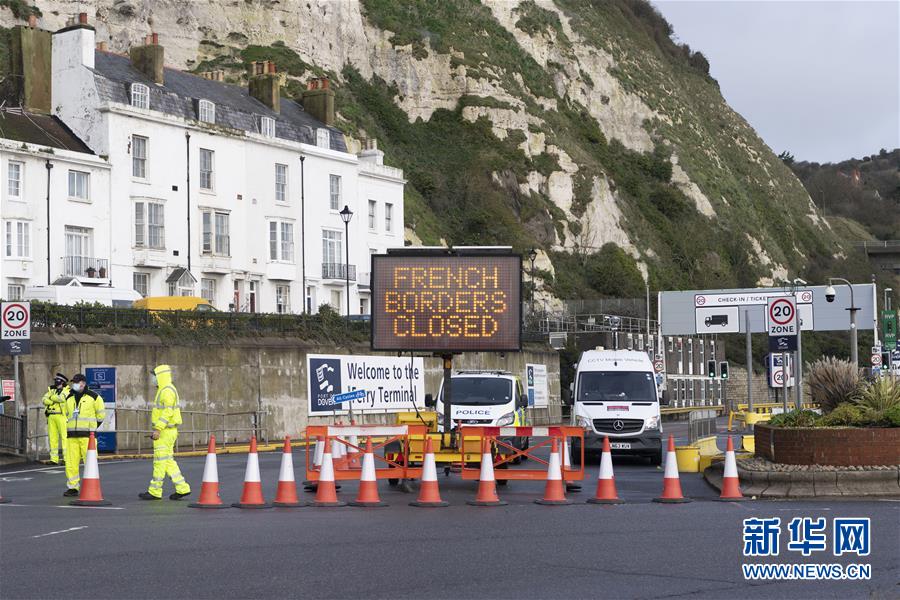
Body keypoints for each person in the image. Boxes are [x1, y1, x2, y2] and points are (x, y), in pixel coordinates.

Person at [139, 365, 191, 500]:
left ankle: (155, 491)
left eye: (154, 376)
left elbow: (167, 412)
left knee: (159, 462)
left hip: (165, 432)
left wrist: (158, 429)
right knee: (168, 461)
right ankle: (182, 488)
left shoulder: (166, 390)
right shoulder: (165, 389)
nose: (153, 380)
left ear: (160, 376)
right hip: (168, 431)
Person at [63, 373, 105, 496]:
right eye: (73, 382)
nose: (74, 384)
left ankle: (91, 486)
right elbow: (66, 415)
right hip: (72, 436)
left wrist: (91, 429)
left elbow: (101, 415)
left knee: (90, 462)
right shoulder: (69, 398)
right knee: (71, 463)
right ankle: (73, 487)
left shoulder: (94, 397)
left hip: (88, 437)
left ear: (83, 383)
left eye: (76, 382)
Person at [42, 373, 70, 464]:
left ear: (62, 382)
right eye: (55, 380)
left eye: (58, 380)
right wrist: (52, 400)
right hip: (51, 415)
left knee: (64, 438)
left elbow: (61, 399)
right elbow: (44, 399)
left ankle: (66, 459)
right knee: (52, 438)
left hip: (61, 416)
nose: (56, 382)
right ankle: (54, 459)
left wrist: (51, 398)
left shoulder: (67, 390)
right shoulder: (52, 389)